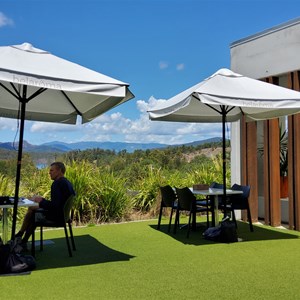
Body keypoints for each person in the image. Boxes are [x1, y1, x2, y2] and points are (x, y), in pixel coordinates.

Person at [15, 162, 75, 250]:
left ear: (59, 171)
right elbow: (60, 203)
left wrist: (42, 201)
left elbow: (55, 206)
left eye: (51, 170)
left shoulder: (57, 184)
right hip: (63, 216)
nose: (49, 172)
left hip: (56, 217)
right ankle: (23, 240)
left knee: (32, 211)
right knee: (33, 212)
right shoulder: (67, 183)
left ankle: (20, 235)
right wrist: (42, 200)